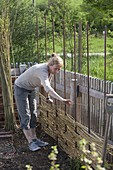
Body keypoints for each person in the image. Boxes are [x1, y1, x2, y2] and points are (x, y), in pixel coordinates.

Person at [14, 53, 72, 151]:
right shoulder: (42, 70)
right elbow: (48, 87)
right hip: (20, 88)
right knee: (25, 115)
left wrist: (48, 97)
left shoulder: (50, 71)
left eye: (59, 69)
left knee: (33, 113)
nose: (57, 71)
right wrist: (62, 99)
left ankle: (35, 139)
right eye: (56, 69)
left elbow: (46, 85)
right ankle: (30, 142)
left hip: (31, 88)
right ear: (50, 65)